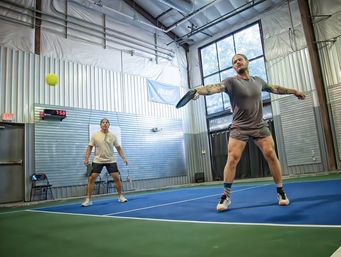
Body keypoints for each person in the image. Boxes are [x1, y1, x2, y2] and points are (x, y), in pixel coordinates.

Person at [192, 53, 306, 211]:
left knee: (271, 154)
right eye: (234, 62)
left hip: (259, 125)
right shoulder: (231, 82)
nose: (237, 62)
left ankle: (280, 191)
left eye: (239, 59)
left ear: (247, 61)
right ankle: (226, 196)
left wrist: (294, 91)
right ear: (234, 67)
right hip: (239, 127)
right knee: (232, 159)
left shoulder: (258, 81)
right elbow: (215, 88)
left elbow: (276, 88)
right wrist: (198, 90)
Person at [82, 118, 128, 207]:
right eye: (103, 123)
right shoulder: (95, 135)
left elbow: (118, 148)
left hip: (111, 160)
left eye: (106, 123)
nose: (105, 124)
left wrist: (124, 158)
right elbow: (89, 148)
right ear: (100, 125)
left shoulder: (113, 136)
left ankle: (120, 196)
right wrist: (86, 158)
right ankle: (88, 199)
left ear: (108, 125)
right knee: (91, 178)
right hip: (97, 160)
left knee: (116, 178)